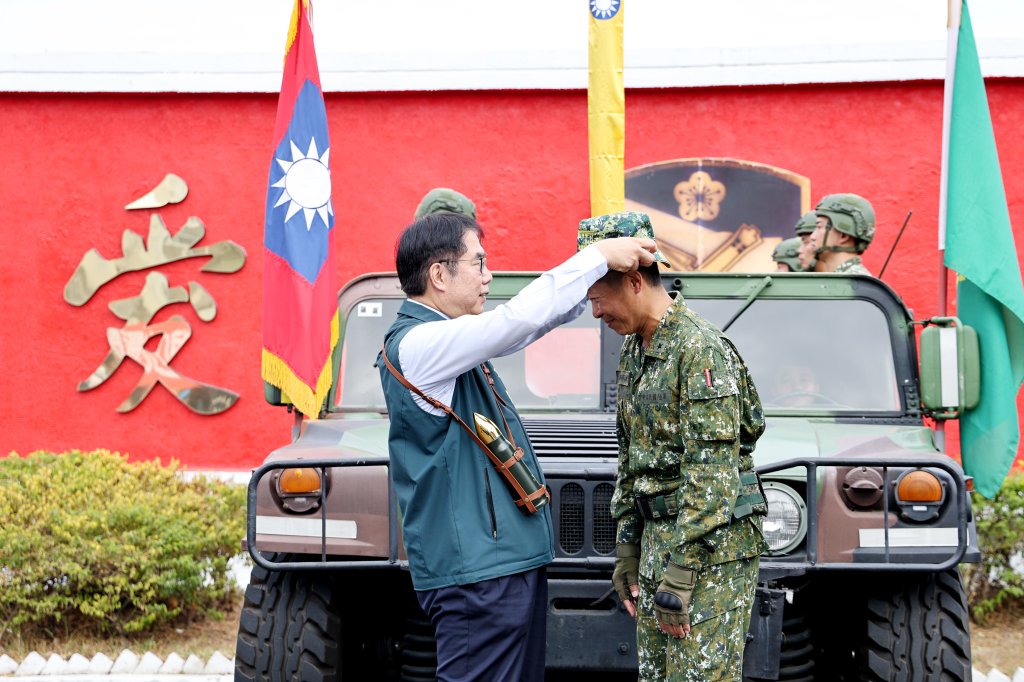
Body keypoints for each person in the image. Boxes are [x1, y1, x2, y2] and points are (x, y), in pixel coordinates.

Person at [377, 209, 656, 682]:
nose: (489, 277)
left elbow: (525, 326)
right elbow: (514, 321)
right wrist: (596, 256)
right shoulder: (420, 343)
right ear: (439, 275)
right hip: (476, 573)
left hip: (495, 567)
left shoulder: (446, 341)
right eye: (478, 263)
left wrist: (589, 281)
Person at [581, 211, 767, 681]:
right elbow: (631, 457)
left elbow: (713, 473)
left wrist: (683, 568)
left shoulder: (699, 350)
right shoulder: (636, 349)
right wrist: (626, 549)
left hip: (708, 553)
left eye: (598, 299)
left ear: (634, 280)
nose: (596, 313)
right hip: (657, 545)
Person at [807, 193, 875, 274]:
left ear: (843, 236)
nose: (812, 237)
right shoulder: (843, 278)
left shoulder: (856, 282)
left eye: (819, 226)